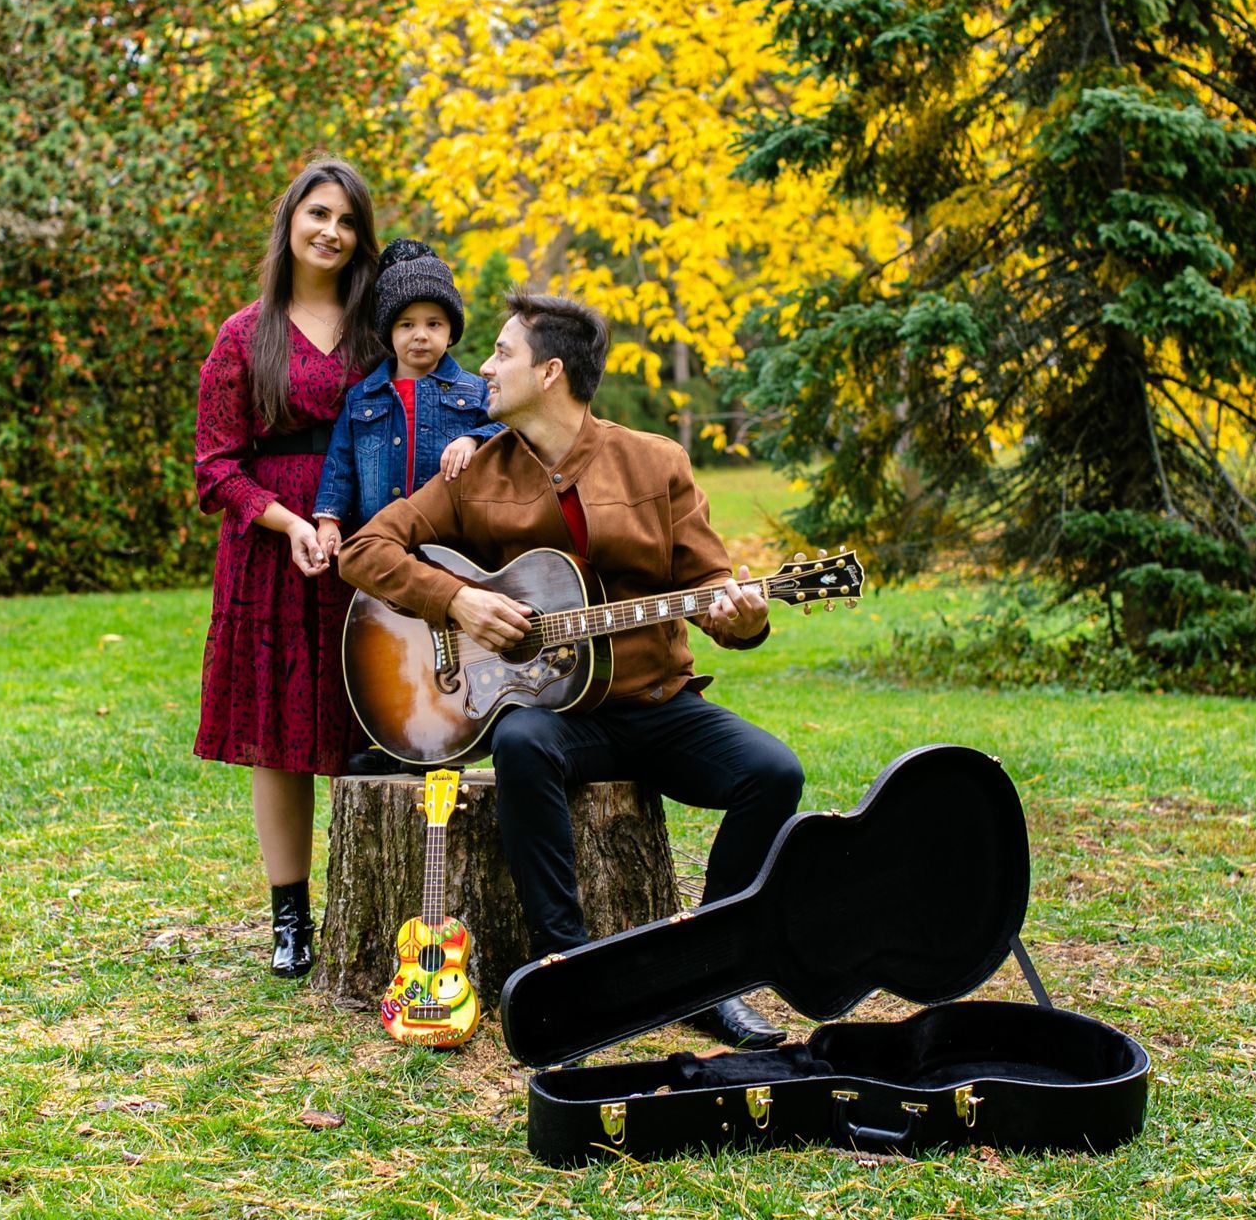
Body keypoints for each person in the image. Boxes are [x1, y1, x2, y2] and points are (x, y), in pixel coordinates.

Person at [338, 292, 803, 1048]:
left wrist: (745, 617)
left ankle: (711, 976)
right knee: (521, 744)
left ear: (550, 372)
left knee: (773, 774)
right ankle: (572, 963)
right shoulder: (474, 473)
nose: (483, 366)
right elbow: (366, 551)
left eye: (502, 354)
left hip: (655, 703)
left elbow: (718, 591)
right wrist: (456, 601)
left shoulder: (656, 463)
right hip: (552, 715)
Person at [193, 158, 382, 978]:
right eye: (317, 215)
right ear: (290, 223)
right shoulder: (245, 334)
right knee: (280, 739)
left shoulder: (379, 327)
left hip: (363, 544)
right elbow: (216, 466)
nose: (330, 232)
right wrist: (287, 522)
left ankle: (373, 897)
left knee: (365, 721)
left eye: (345, 220)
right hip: (272, 552)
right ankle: (290, 917)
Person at [311, 239, 504, 774]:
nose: (421, 336)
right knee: (397, 645)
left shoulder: (472, 392)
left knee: (451, 643)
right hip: (384, 551)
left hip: (452, 553)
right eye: (407, 325)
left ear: (451, 331)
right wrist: (329, 518)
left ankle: (448, 739)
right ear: (388, 332)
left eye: (435, 324)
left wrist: (477, 438)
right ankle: (401, 736)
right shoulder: (364, 398)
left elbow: (513, 428)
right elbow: (342, 462)